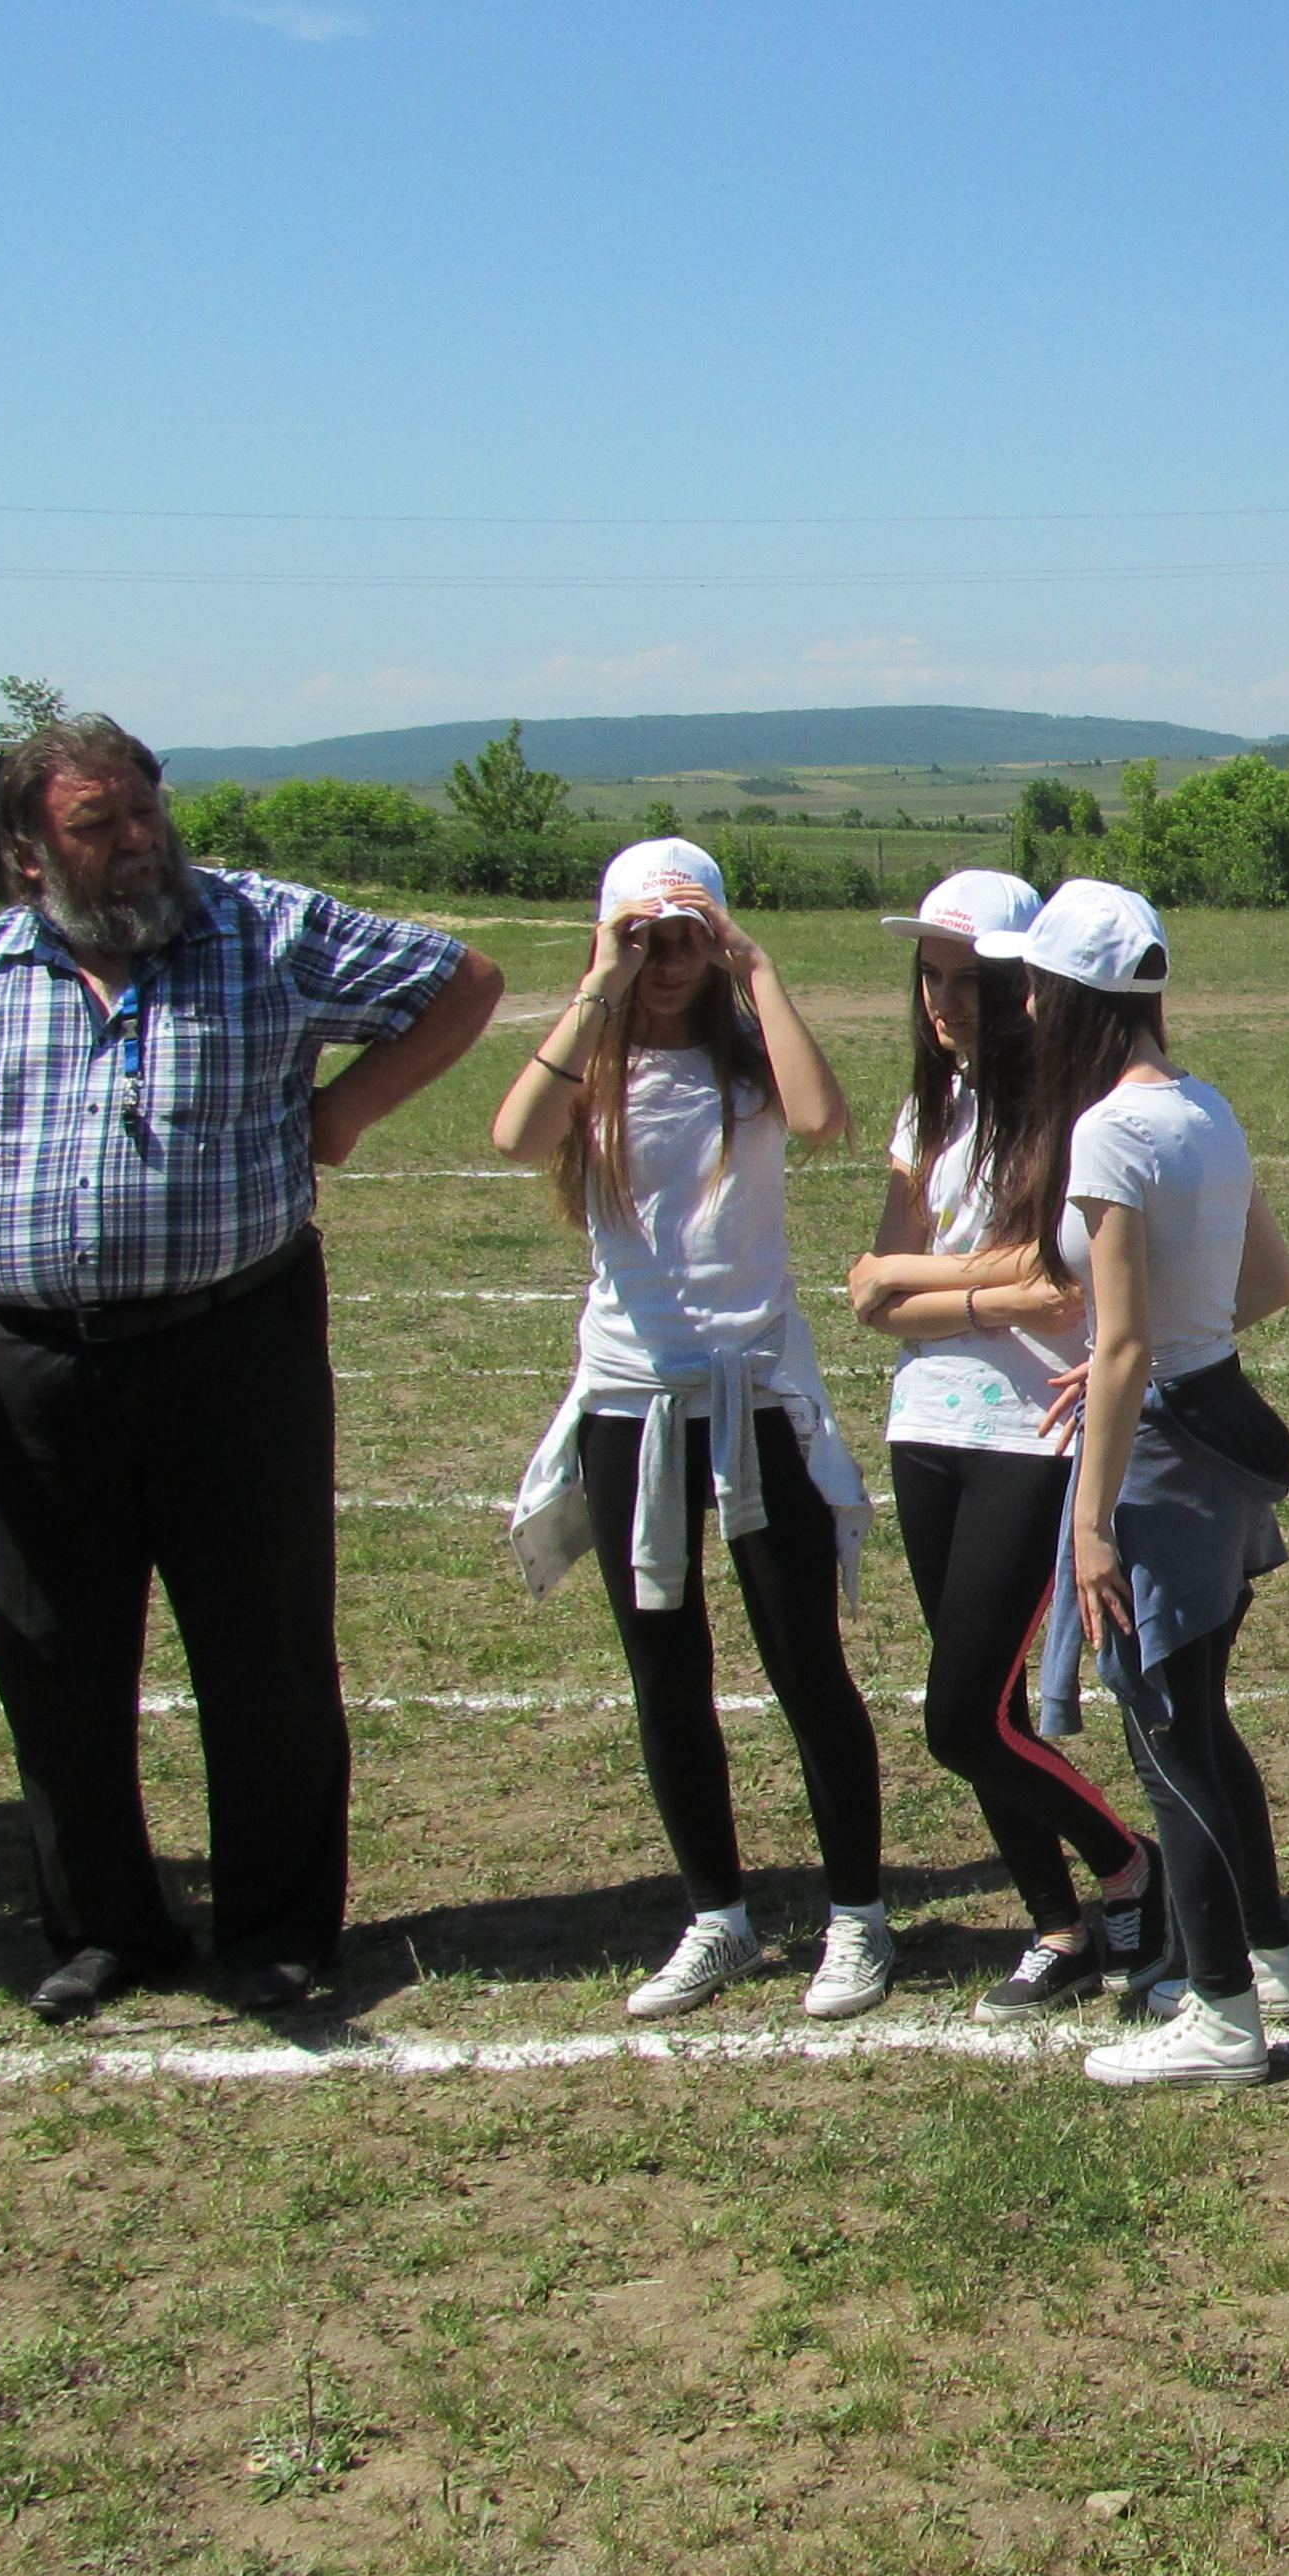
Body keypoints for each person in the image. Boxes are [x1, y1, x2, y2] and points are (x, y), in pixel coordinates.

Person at [0, 714, 502, 2020]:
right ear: (29, 852)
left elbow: (461, 981)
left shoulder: (264, 929)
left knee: (263, 1646)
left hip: (235, 1343)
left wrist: (345, 1111)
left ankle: (276, 1929)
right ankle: (105, 1929)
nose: (139, 840)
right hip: (38, 1366)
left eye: (146, 809)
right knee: (54, 1656)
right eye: (99, 825)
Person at [502, 839, 885, 2024]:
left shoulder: (749, 1062)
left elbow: (822, 1117)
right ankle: (717, 1915)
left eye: (685, 938)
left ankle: (858, 1917)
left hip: (756, 1393)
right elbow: (517, 1134)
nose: (666, 960)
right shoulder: (595, 1064)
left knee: (803, 1659)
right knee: (665, 1670)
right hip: (631, 1400)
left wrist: (753, 965)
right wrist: (599, 980)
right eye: (644, 938)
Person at [970, 882, 1289, 2087]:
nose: (1023, 1005)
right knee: (1200, 1717)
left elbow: (1117, 1348)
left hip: (1163, 1453)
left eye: (1033, 987)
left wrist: (1089, 1527)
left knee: (1165, 1731)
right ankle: (1267, 1958)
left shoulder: (1109, 1132)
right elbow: (1268, 1283)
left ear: (1068, 997)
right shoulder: (1205, 1107)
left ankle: (1222, 2015)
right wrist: (1167, 1340)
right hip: (1216, 1422)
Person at [839, 870, 1163, 2021]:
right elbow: (874, 1303)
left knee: (960, 1715)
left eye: (967, 979)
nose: (943, 1001)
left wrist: (919, 1279)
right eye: (928, 977)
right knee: (991, 1712)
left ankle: (1129, 1863)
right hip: (923, 1425)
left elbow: (1055, 1282)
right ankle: (1058, 1926)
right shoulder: (931, 1114)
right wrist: (976, 1293)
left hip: (1033, 1436)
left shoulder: (1075, 1115)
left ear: (1025, 985)